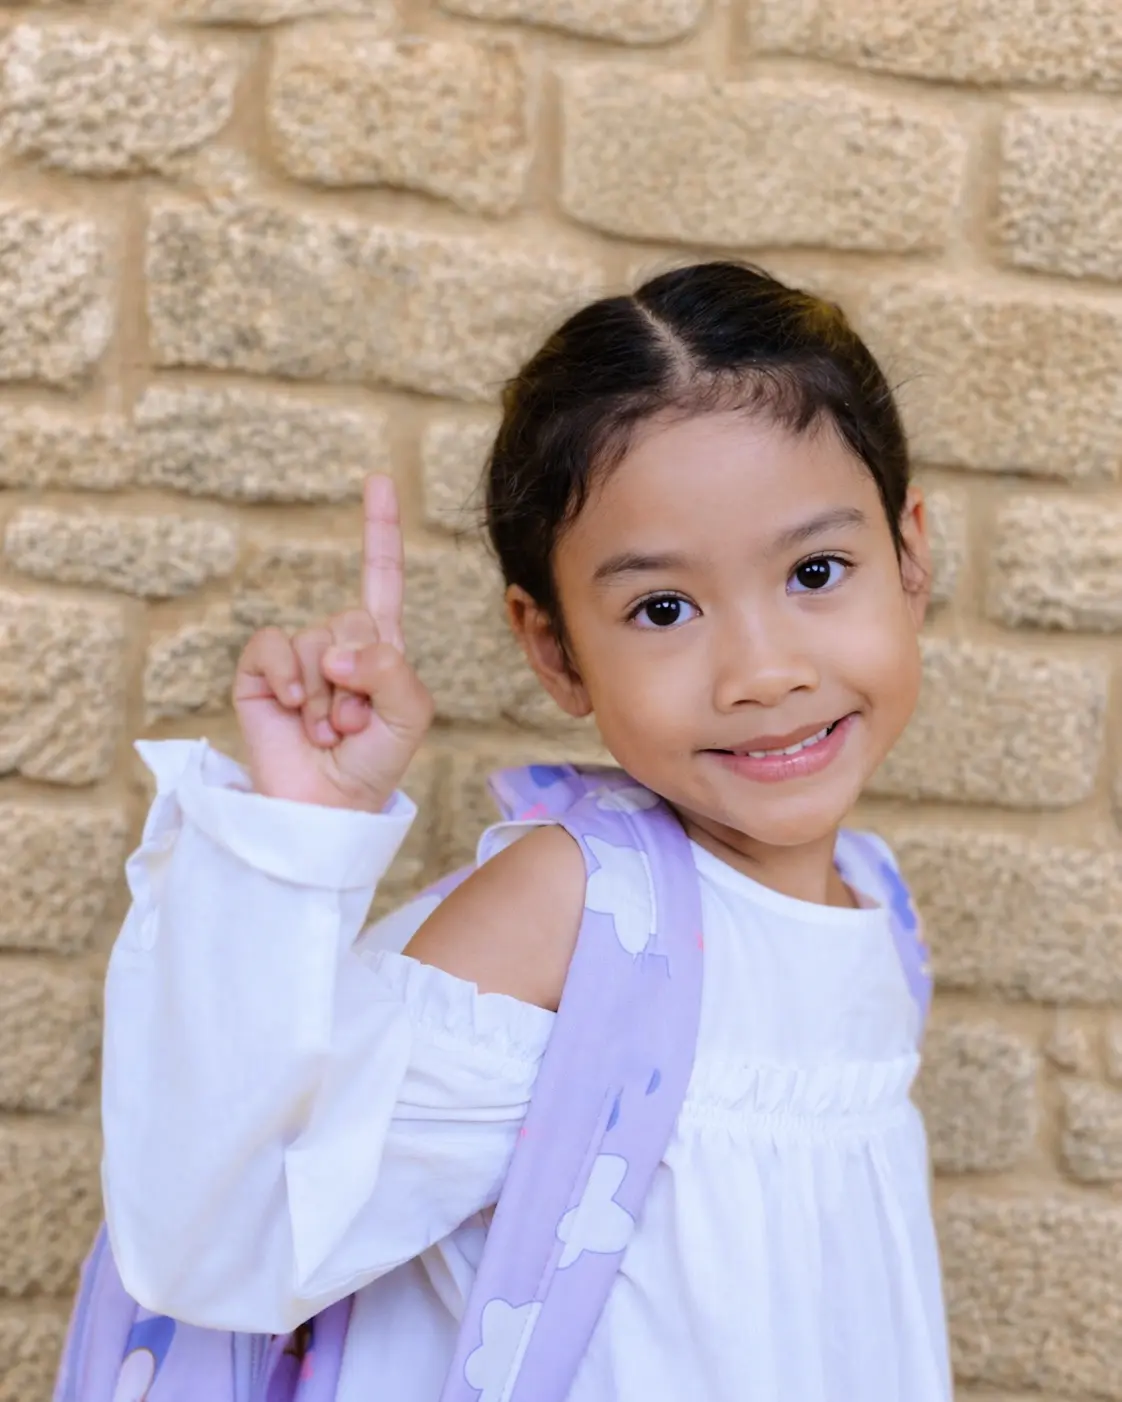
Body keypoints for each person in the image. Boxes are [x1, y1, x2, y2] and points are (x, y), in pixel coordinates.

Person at [100, 261, 949, 1402]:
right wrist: (297, 840)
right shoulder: (572, 910)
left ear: (911, 558)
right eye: (663, 608)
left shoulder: (876, 902)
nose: (764, 672)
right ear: (553, 649)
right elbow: (230, 1241)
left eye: (816, 571)